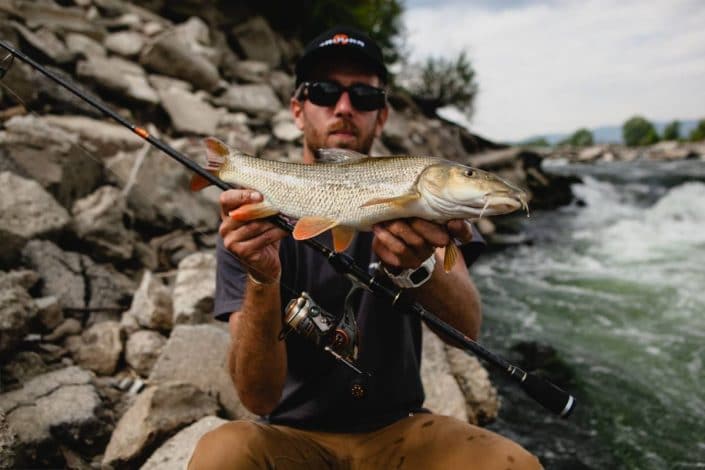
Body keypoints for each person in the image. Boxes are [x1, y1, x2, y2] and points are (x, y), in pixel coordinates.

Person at [188, 26, 541, 469]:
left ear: (383, 115)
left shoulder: (436, 211)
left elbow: (467, 329)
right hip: (290, 435)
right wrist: (263, 277)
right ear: (298, 110)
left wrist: (419, 270)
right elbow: (257, 396)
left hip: (401, 431)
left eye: (364, 97)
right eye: (324, 92)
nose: (344, 108)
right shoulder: (251, 226)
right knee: (222, 455)